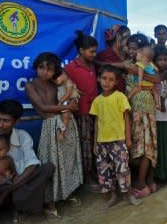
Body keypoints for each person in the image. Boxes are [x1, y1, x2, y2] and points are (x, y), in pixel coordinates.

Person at [26, 52, 83, 218]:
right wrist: (67, 108)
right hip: (50, 126)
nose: (45, 72)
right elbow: (43, 108)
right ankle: (49, 201)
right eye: (41, 67)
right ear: (36, 68)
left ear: (55, 71)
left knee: (67, 160)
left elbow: (73, 101)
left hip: (67, 124)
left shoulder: (56, 84)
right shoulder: (31, 86)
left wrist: (70, 106)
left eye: (49, 69)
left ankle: (67, 193)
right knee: (50, 162)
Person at [89, 65, 142, 209]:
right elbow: (97, 123)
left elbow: (126, 118)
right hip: (101, 143)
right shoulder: (97, 101)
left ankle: (128, 194)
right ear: (99, 79)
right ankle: (113, 196)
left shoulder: (120, 97)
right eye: (104, 78)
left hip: (118, 141)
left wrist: (128, 139)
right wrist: (95, 144)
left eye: (111, 80)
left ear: (116, 82)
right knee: (105, 171)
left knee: (123, 170)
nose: (106, 82)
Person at [125, 33, 160, 198]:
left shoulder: (147, 65)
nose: (132, 52)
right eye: (130, 48)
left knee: (148, 145)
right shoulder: (128, 65)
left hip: (146, 109)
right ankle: (143, 181)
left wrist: (142, 70)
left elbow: (157, 78)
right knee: (137, 145)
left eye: (135, 49)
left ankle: (143, 183)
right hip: (132, 109)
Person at [64, 31, 99, 187]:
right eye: (91, 51)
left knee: (95, 143)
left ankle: (96, 173)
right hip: (82, 112)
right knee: (85, 145)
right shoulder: (70, 68)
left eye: (95, 51)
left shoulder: (92, 65)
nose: (94, 54)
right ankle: (87, 176)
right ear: (81, 50)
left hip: (96, 111)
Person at [154, 46, 167, 182]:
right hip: (155, 113)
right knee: (158, 145)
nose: (162, 62)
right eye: (159, 60)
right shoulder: (152, 74)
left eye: (165, 60)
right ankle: (158, 174)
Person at [96, 24, 131, 92]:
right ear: (118, 36)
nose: (129, 40)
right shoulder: (104, 55)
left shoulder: (129, 55)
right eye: (126, 37)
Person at [127, 45, 160, 111]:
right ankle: (157, 104)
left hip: (143, 85)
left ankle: (127, 99)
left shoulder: (140, 64)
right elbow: (157, 69)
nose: (136, 55)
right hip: (151, 85)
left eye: (138, 54)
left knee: (133, 91)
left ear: (142, 56)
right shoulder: (151, 64)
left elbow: (140, 76)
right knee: (155, 92)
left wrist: (139, 85)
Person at [53, 71, 80, 141]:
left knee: (65, 115)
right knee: (63, 116)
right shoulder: (64, 83)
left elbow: (68, 94)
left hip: (68, 101)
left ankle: (62, 133)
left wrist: (60, 102)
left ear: (63, 74)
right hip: (66, 101)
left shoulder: (68, 82)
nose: (55, 82)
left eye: (56, 79)